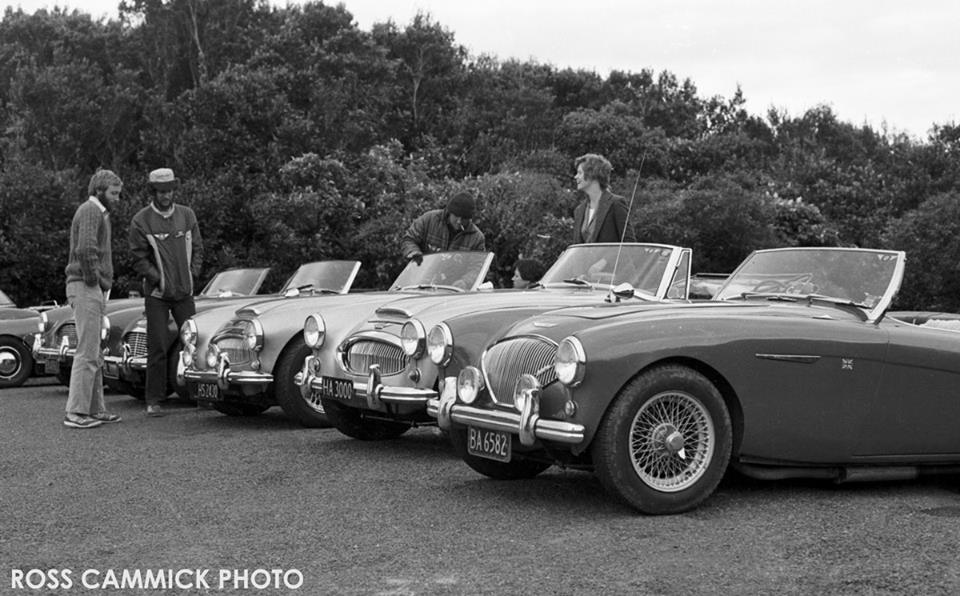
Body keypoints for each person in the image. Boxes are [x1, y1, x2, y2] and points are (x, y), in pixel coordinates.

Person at [129, 168, 203, 417]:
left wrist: (192, 274)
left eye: (170, 190)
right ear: (153, 192)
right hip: (157, 295)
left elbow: (199, 249)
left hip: (184, 292)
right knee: (158, 346)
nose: (166, 195)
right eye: (161, 191)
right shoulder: (141, 220)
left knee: (194, 343)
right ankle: (154, 400)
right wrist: (158, 279)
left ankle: (200, 393)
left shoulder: (187, 215)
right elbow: (138, 258)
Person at [63, 169, 125, 429]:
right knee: (87, 352)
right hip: (85, 286)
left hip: (90, 287)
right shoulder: (90, 211)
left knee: (94, 352)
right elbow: (86, 249)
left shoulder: (99, 213)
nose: (118, 198)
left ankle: (95, 409)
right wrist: (95, 282)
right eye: (114, 193)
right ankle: (76, 413)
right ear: (99, 190)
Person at [401, 192, 485, 265]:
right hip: (423, 275)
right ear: (450, 212)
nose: (459, 221)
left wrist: (464, 281)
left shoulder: (477, 238)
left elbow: (476, 267)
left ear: (469, 219)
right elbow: (409, 239)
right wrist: (414, 252)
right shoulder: (429, 219)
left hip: (453, 281)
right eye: (456, 216)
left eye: (464, 219)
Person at [571, 153, 636, 244]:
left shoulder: (616, 204)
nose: (576, 177)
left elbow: (629, 244)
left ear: (592, 174)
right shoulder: (579, 210)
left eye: (580, 173)